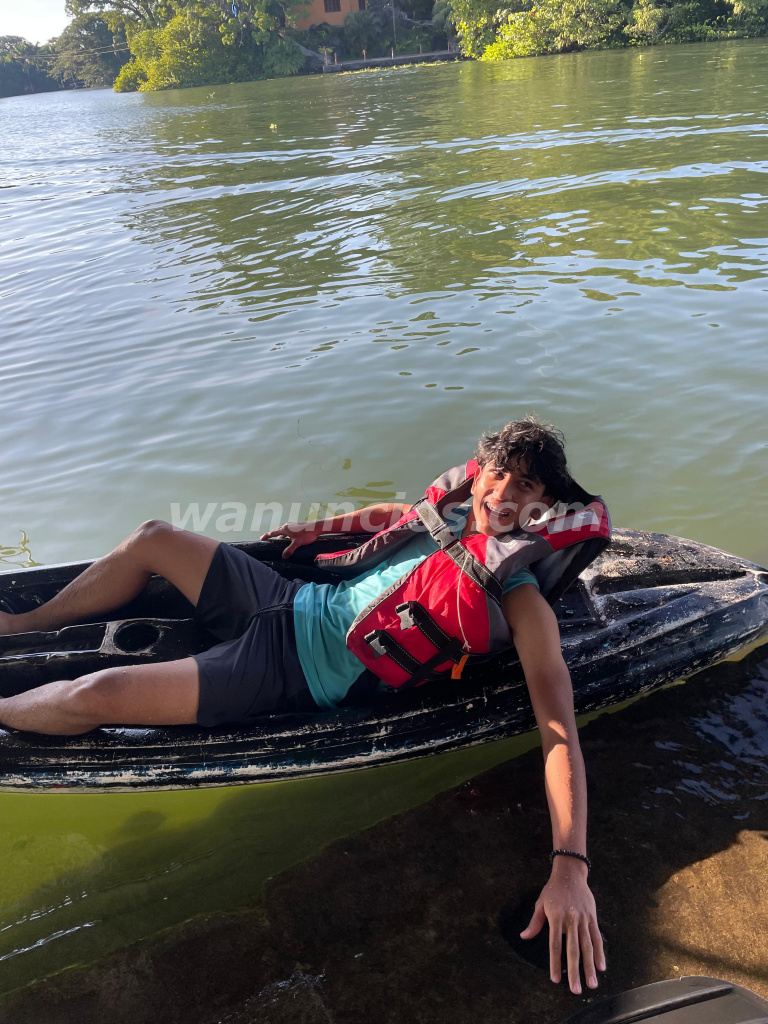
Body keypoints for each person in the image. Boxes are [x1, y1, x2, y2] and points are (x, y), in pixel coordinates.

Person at [0, 416, 606, 994]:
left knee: (96, 694)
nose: (503, 493)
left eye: (525, 486)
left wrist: (570, 867)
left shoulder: (520, 599)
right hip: (287, 596)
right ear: (479, 472)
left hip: (287, 669)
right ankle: (22, 624)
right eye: (498, 473)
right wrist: (320, 528)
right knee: (154, 537)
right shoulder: (448, 515)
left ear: (542, 506)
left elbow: (558, 731)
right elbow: (396, 516)